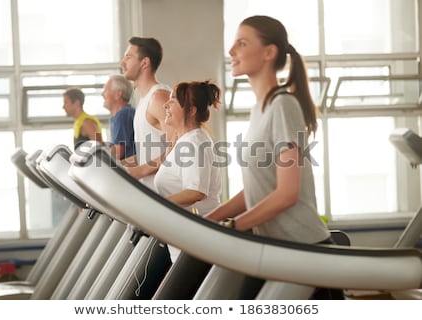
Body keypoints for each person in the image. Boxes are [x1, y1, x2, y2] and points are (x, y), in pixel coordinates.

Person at [204, 15, 340, 299]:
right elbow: (258, 188)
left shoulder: (283, 105)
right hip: (274, 250)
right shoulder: (260, 109)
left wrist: (234, 226)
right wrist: (211, 219)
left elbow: (287, 193)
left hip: (304, 251)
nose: (231, 51)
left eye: (242, 43)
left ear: (269, 52)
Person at [154, 80, 222, 215]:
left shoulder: (194, 143)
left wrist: (155, 206)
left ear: (191, 110)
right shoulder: (186, 140)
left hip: (199, 228)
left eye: (173, 100)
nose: (165, 105)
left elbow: (195, 192)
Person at [119, 36, 173, 190]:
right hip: (153, 193)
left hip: (170, 197)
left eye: (128, 57)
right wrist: (116, 166)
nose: (122, 63)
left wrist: (141, 170)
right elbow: (150, 153)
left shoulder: (159, 97)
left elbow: (180, 148)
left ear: (145, 62)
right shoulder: (144, 100)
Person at [102, 74, 136, 160]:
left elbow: (117, 153)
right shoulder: (123, 113)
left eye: (105, 90)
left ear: (118, 94)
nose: (102, 94)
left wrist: (100, 152)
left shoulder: (123, 114)